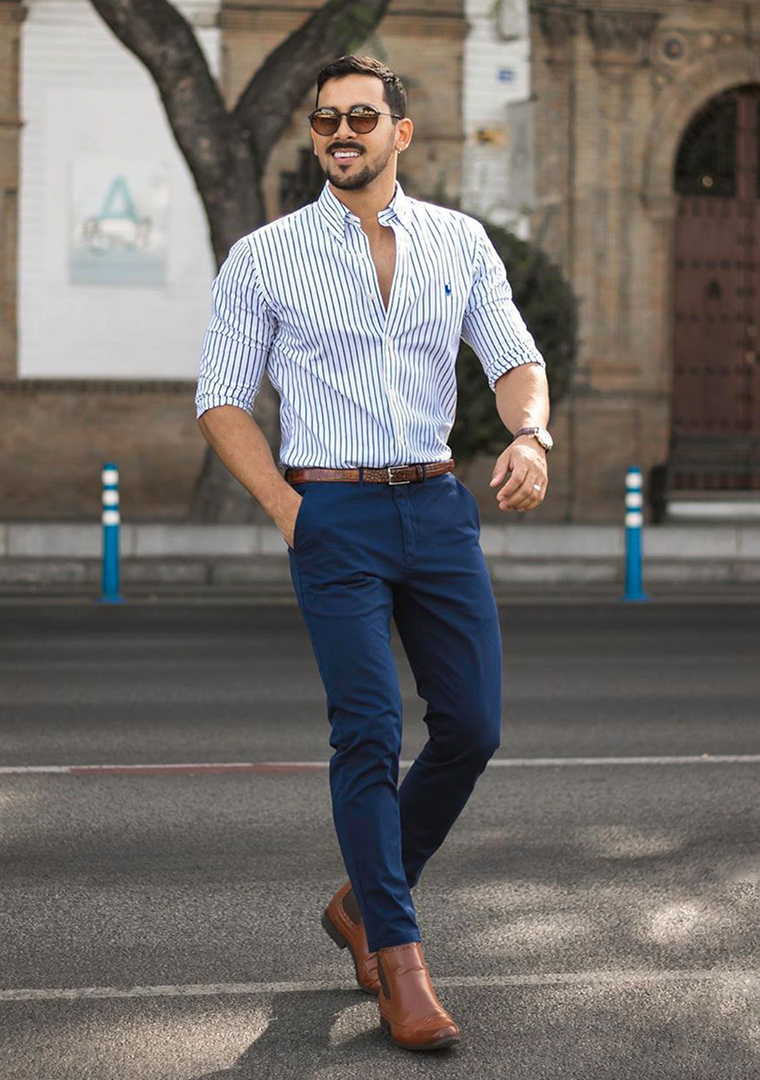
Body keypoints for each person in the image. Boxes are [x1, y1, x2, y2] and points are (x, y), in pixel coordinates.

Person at [195, 54, 552, 1052]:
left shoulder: (458, 241)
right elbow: (220, 398)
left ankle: (359, 901)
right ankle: (397, 960)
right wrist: (285, 509)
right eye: (323, 122)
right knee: (364, 730)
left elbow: (515, 357)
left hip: (436, 506)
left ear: (402, 131)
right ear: (312, 138)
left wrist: (529, 435)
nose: (339, 133)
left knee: (472, 725)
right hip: (332, 515)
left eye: (360, 117)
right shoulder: (263, 255)